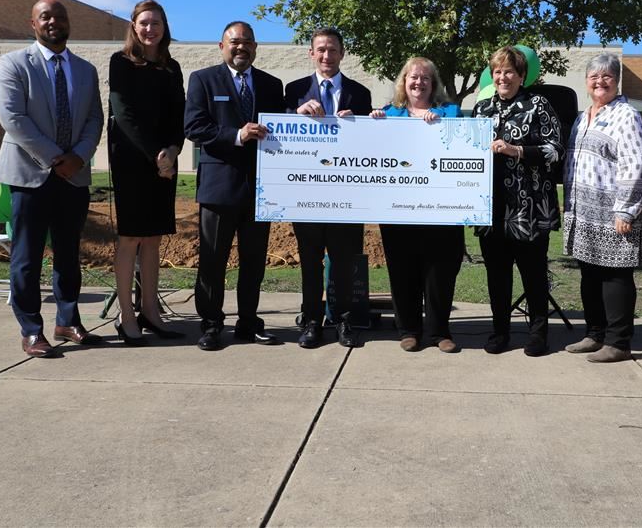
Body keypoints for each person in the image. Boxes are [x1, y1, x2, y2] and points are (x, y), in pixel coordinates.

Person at [0, 0, 104, 357]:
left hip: (73, 176)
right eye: (46, 17)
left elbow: (94, 120)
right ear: (33, 23)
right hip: (30, 175)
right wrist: (56, 158)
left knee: (69, 255)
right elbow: (13, 118)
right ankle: (30, 329)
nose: (54, 21)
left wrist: (79, 157)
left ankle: (67, 320)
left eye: (60, 16)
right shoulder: (13, 64)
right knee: (27, 256)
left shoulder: (86, 70)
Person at [183, 21, 285, 351]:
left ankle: (248, 321)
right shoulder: (203, 80)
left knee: (254, 261)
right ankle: (211, 324)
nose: (241, 48)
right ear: (221, 45)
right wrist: (237, 135)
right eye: (235, 42)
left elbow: (284, 126)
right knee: (213, 260)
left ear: (256, 47)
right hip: (218, 187)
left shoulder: (272, 84)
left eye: (247, 42)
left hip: (260, 189)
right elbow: (194, 127)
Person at [472, 46, 563, 357]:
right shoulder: (481, 108)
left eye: (509, 71)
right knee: (497, 275)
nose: (503, 77)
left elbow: (555, 151)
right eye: (497, 71)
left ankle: (538, 334)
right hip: (490, 207)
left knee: (533, 273)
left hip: (529, 207)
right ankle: (500, 332)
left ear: (522, 75)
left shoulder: (539, 105)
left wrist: (516, 150)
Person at [370, 57, 464, 353]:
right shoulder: (388, 114)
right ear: (404, 81)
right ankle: (408, 330)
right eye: (413, 77)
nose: (419, 83)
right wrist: (370, 125)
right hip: (398, 209)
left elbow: (463, 143)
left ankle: (439, 331)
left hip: (442, 208)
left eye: (425, 78)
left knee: (440, 271)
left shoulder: (450, 112)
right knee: (402, 269)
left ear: (433, 83)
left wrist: (442, 126)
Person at [563, 53, 642, 363]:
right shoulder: (583, 116)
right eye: (594, 77)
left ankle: (618, 341)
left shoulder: (626, 116)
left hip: (614, 214)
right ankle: (595, 333)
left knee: (615, 276)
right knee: (590, 275)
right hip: (585, 213)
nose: (600, 82)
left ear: (617, 81)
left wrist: (626, 209)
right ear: (586, 82)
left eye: (607, 77)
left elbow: (638, 162)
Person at [287, 27, 373, 348]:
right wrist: (296, 114)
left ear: (342, 53)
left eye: (333, 49)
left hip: (347, 194)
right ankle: (311, 320)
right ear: (311, 53)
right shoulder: (293, 91)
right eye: (321, 50)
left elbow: (372, 144)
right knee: (310, 261)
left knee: (344, 259)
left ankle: (344, 320)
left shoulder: (360, 93)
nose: (326, 55)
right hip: (307, 193)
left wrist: (361, 123)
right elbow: (279, 131)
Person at [107, 0, 186, 345]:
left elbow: (178, 116)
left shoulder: (172, 68)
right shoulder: (121, 63)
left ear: (164, 27)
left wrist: (172, 150)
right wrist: (156, 157)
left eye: (156, 23)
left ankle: (151, 312)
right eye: (144, 23)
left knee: (153, 238)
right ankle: (127, 317)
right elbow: (124, 115)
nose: (150, 29)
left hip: (164, 162)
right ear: (134, 26)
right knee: (131, 238)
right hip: (131, 162)